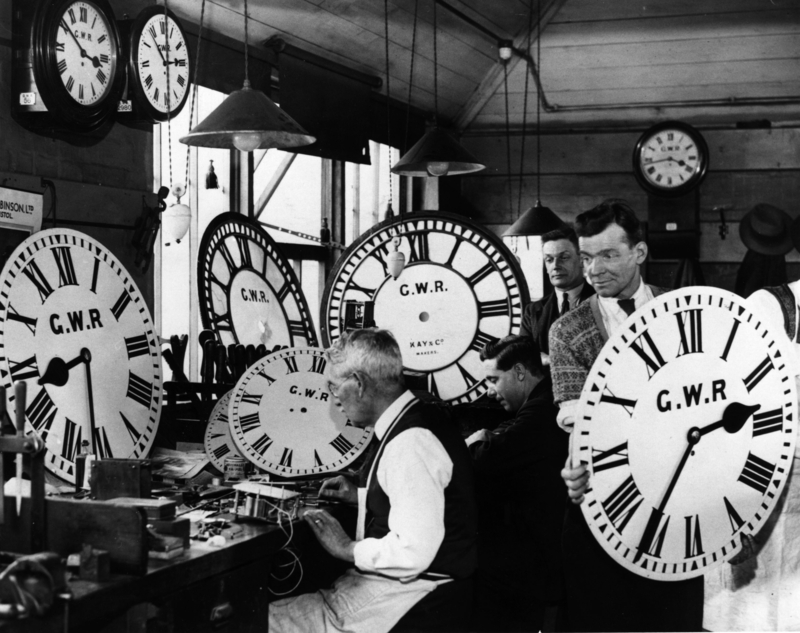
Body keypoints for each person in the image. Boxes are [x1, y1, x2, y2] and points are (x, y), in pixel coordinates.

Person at [549, 199, 704, 632]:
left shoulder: (684, 312)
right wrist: (574, 463)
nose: (593, 270)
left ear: (639, 253)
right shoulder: (568, 330)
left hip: (677, 508)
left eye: (608, 255)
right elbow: (579, 421)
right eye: (586, 257)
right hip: (602, 505)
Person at [268, 328, 478, 633]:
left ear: (360, 384)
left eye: (334, 385)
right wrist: (363, 496)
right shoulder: (418, 419)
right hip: (411, 586)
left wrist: (345, 547)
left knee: (261, 619)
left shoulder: (411, 441)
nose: (333, 397)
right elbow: (425, 500)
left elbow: (412, 552)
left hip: (413, 592)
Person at [703, 278, 800, 631]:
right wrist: (727, 524)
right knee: (751, 616)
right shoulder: (771, 307)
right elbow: (725, 413)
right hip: (766, 496)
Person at [465, 335, 567, 632]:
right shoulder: (542, 400)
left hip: (536, 568)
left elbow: (486, 460)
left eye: (494, 380)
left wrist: (477, 442)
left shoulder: (543, 409)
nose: (489, 391)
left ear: (520, 372)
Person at [519, 226, 594, 366]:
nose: (555, 266)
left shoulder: (602, 302)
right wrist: (548, 360)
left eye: (564, 257)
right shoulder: (533, 312)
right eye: (549, 260)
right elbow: (522, 355)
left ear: (581, 260)